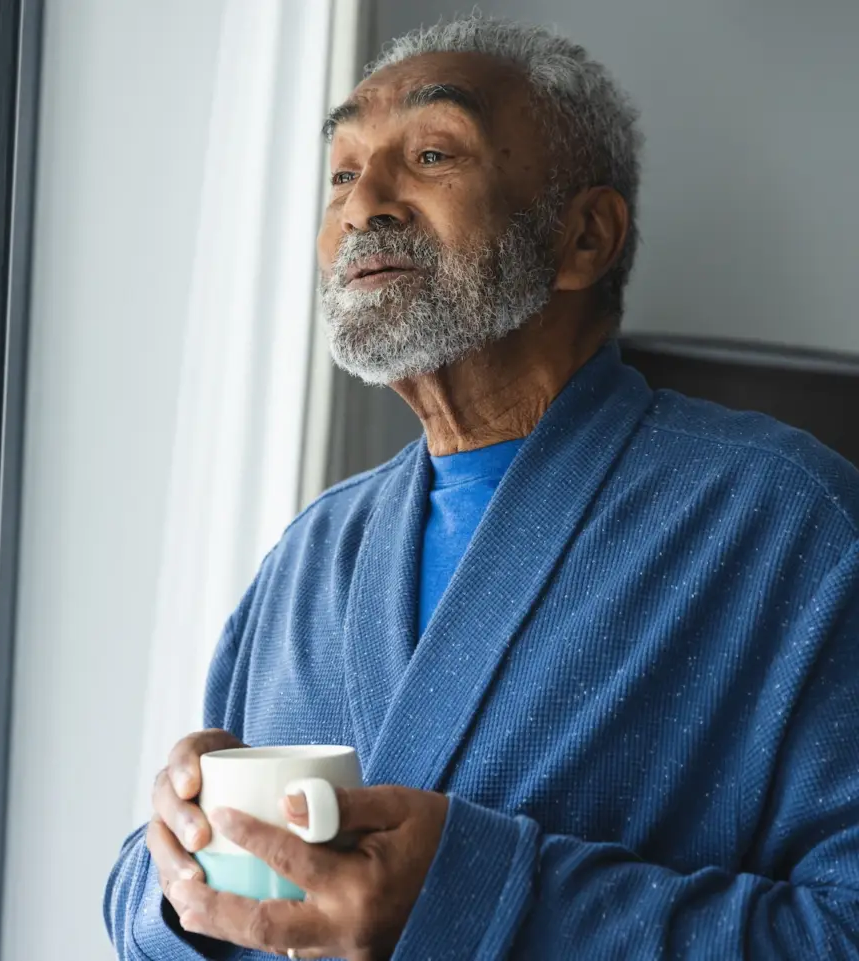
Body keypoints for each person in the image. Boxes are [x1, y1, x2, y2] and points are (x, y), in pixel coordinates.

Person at [104, 15, 859, 961]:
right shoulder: (313, 553)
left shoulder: (789, 525)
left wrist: (483, 901)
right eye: (341, 172)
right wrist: (177, 875)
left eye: (429, 153)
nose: (364, 203)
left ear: (585, 236)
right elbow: (163, 901)